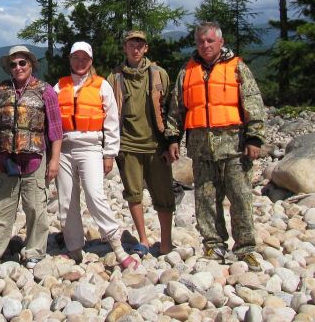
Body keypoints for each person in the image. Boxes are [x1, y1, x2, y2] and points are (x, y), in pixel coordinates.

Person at [165, 21, 266, 271]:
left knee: (240, 198)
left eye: (210, 41)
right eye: (200, 41)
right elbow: (176, 109)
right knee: (206, 199)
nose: (205, 45)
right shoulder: (186, 72)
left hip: (235, 147)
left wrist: (254, 137)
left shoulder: (237, 68)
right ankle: (213, 245)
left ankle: (246, 248)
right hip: (201, 149)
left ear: (220, 42)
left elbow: (253, 102)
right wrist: (172, 138)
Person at [0, 46, 62, 270]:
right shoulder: (0, 91)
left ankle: (34, 251)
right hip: (4, 160)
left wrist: (54, 160)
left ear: (31, 65)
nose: (18, 67)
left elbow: (56, 129)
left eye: (23, 63)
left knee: (35, 207)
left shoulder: (45, 91)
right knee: (0, 208)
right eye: (13, 64)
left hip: (34, 159)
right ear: (8, 68)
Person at [54, 41, 138, 269]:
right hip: (64, 149)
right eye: (76, 58)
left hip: (91, 147)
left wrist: (109, 153)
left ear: (91, 61)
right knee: (66, 199)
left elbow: (112, 122)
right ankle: (74, 248)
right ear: (70, 60)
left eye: (85, 58)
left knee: (94, 194)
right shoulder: (59, 87)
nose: (80, 62)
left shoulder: (102, 86)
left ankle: (116, 245)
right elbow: (52, 122)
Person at [110, 30, 176, 256]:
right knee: (133, 194)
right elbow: (108, 114)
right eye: (131, 45)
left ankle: (166, 242)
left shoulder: (159, 74)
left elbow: (170, 109)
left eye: (140, 45)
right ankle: (144, 239)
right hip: (127, 145)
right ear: (125, 48)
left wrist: (171, 143)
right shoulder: (115, 78)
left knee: (164, 195)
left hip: (156, 145)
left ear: (146, 48)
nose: (135, 49)